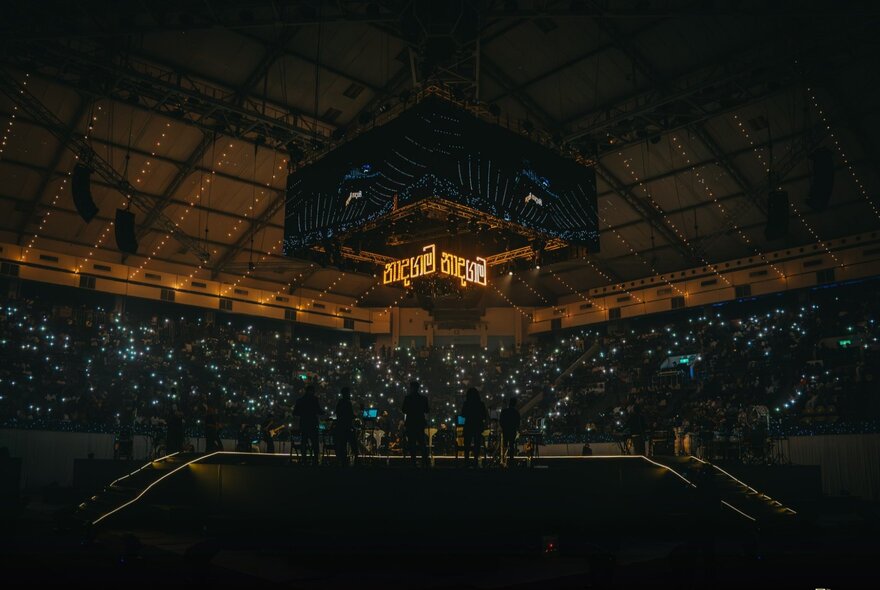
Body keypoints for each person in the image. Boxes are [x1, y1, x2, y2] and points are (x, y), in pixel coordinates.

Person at [402, 380, 429, 467]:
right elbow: (427, 410)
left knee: (411, 443)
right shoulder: (423, 398)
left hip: (410, 423)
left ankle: (413, 461)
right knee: (422, 442)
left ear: (411, 388)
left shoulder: (408, 398)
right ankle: (424, 461)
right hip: (420, 422)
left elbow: (404, 410)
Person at [294, 385, 323, 465]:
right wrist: (324, 413)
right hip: (312, 424)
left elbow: (295, 412)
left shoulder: (300, 400)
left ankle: (304, 459)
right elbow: (319, 411)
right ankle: (315, 460)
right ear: (312, 391)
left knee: (304, 442)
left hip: (304, 424)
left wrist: (303, 413)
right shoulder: (314, 399)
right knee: (314, 442)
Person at [460, 387, 488, 468]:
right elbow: (484, 416)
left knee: (467, 443)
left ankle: (466, 461)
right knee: (477, 443)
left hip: (468, 425)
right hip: (477, 426)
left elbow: (463, 414)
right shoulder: (481, 404)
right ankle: (475, 460)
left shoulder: (466, 404)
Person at [334, 387, 358, 467]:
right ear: (346, 394)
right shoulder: (348, 403)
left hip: (340, 427)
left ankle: (343, 462)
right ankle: (357, 461)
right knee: (353, 443)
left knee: (342, 445)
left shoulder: (340, 402)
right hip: (347, 427)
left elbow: (337, 413)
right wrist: (356, 415)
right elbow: (350, 415)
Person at [499, 397, 521, 466]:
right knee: (511, 445)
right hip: (512, 430)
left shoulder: (504, 411)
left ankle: (503, 460)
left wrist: (504, 427)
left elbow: (501, 421)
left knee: (504, 445)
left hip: (505, 430)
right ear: (515, 404)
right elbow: (518, 422)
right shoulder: (516, 412)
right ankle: (511, 460)